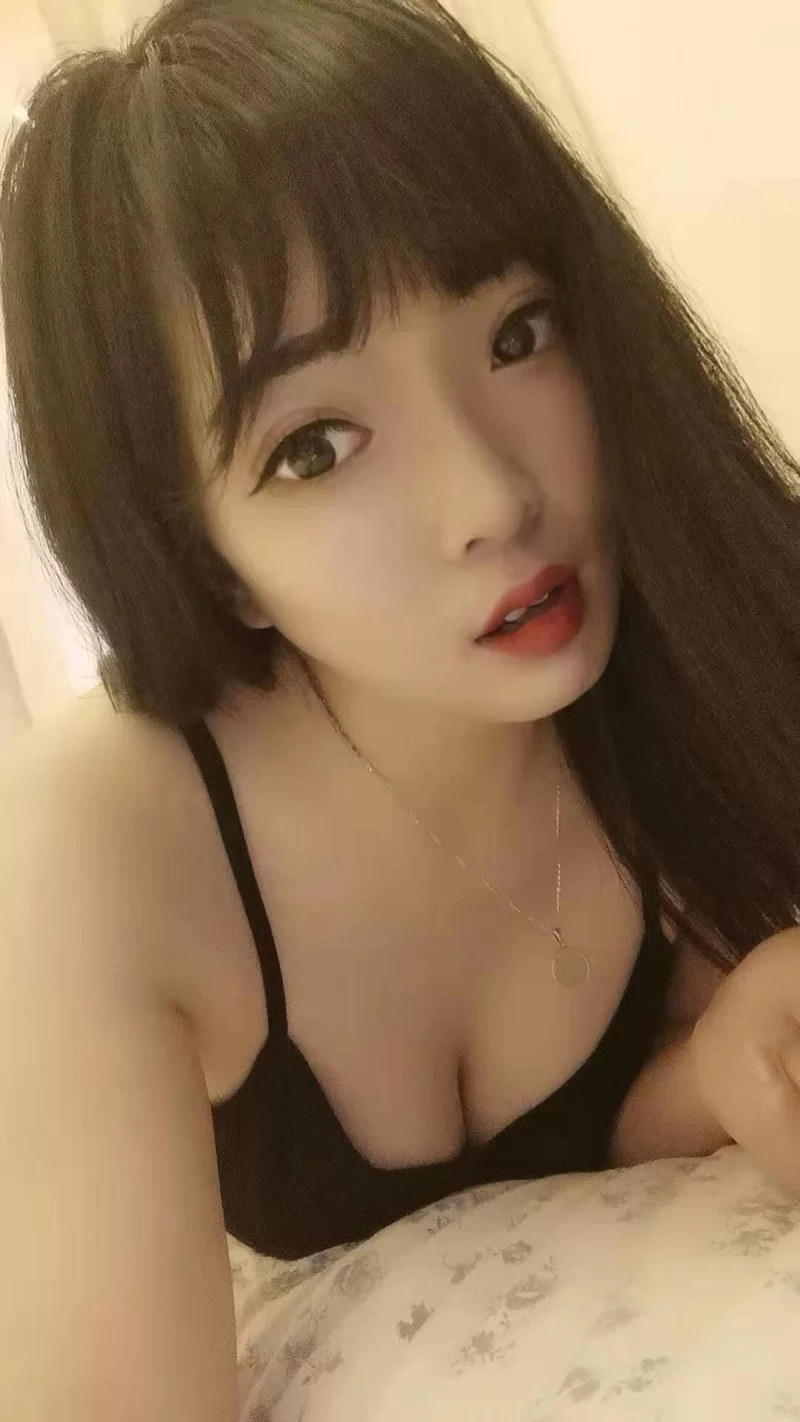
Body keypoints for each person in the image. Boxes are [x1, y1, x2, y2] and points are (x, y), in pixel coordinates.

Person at [2, 0, 800, 1417]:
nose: (494, 497)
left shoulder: (684, 651)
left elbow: (581, 1129)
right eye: (316, 446)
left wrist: (720, 1063)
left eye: (517, 334)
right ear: (201, 553)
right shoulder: (101, 837)